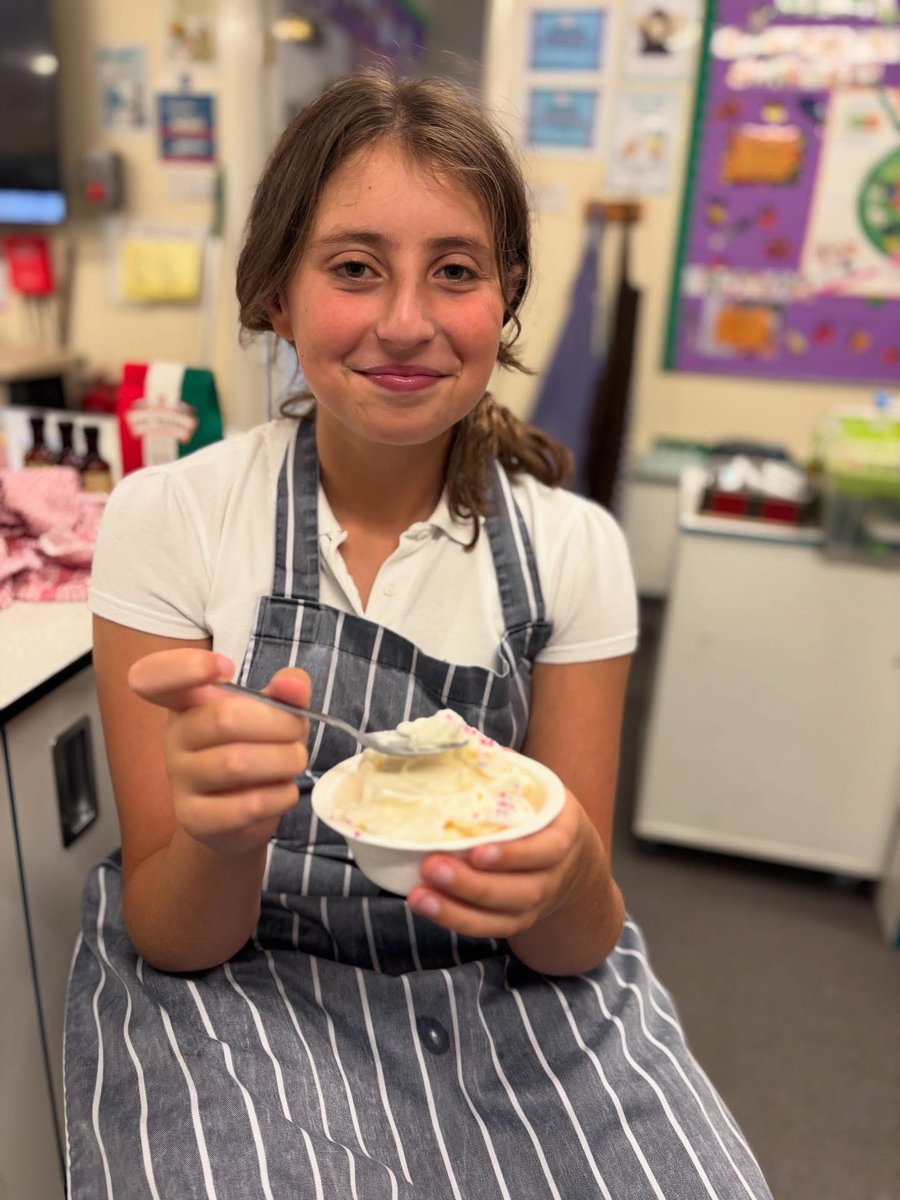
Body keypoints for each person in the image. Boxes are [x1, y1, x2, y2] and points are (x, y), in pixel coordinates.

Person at [65, 71, 773, 1199]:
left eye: (455, 272)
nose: (406, 320)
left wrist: (569, 870)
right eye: (354, 268)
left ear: (504, 303)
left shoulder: (573, 551)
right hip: (252, 991)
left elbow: (575, 943)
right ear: (276, 298)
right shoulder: (175, 519)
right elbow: (174, 935)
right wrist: (217, 835)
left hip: (505, 995)